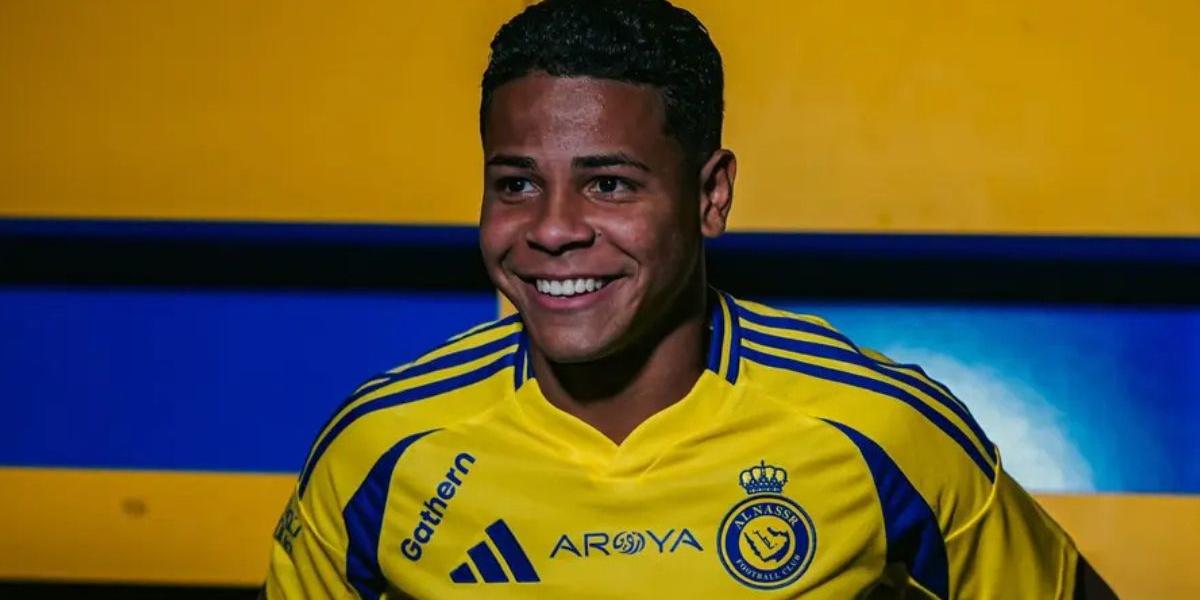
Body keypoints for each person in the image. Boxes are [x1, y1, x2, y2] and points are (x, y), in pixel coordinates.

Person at [264, 0, 1115, 597]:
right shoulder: (381, 447)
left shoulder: (881, 432)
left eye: (608, 184)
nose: (552, 229)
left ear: (711, 196)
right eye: (516, 184)